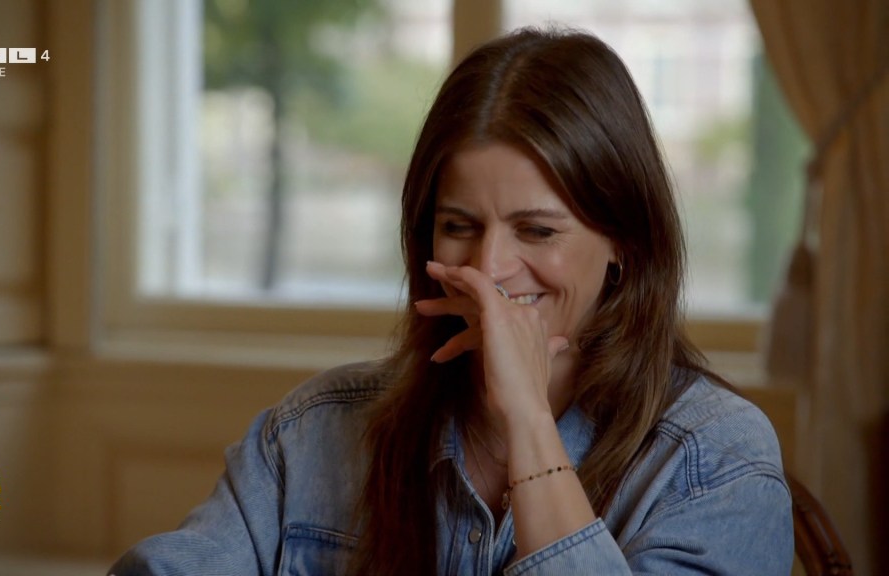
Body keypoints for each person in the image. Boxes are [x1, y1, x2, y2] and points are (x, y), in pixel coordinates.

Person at [110, 26, 793, 575]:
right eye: (459, 226)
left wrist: (529, 423)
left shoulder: (716, 458)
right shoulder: (310, 434)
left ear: (625, 244)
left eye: (537, 230)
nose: (488, 269)